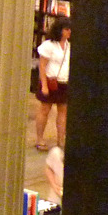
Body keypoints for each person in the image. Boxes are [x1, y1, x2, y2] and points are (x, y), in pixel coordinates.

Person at [35, 17, 70, 151]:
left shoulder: (68, 46)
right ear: (60, 30)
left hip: (63, 82)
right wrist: (44, 85)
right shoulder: (49, 45)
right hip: (50, 81)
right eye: (66, 29)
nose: (69, 32)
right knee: (45, 109)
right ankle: (39, 139)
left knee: (63, 111)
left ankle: (61, 139)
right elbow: (42, 66)